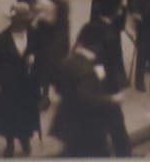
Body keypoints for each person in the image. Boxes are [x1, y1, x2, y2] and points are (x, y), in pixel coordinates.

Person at [49, 23, 130, 158]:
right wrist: (112, 99)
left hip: (68, 125)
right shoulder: (86, 69)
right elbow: (87, 98)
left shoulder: (66, 62)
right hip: (88, 128)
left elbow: (58, 88)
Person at [0, 3, 43, 157]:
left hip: (27, 84)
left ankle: (25, 139)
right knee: (8, 115)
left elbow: (41, 56)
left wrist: (34, 60)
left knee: (26, 114)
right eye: (18, 20)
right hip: (8, 84)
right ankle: (10, 142)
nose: (21, 24)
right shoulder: (3, 39)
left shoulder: (33, 36)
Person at [30, 0, 73, 89]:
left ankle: (45, 93)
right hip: (61, 30)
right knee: (57, 60)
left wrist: (33, 22)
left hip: (49, 33)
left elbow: (42, 17)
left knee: (46, 62)